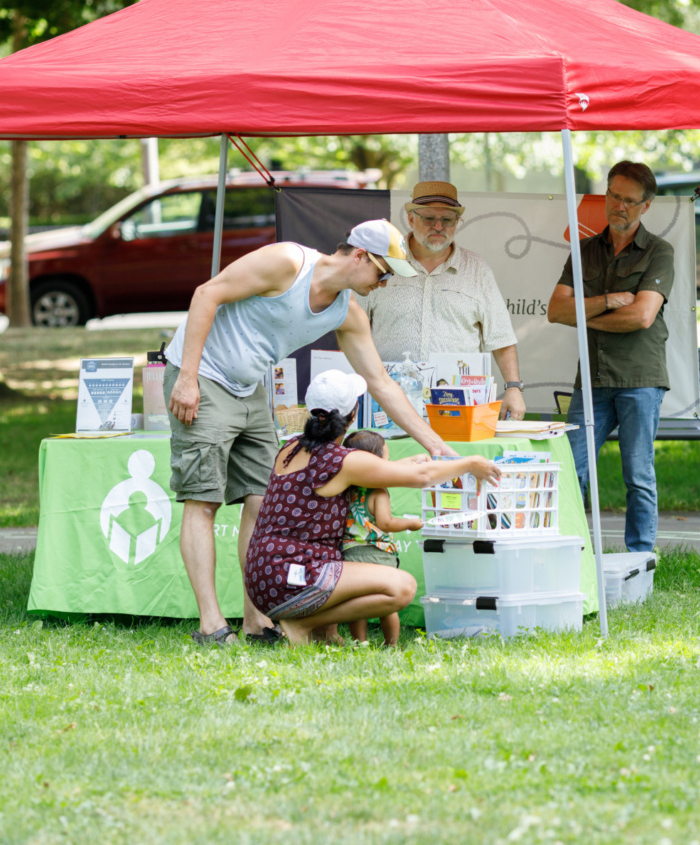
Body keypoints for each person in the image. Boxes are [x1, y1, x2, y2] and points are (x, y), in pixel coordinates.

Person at [164, 218, 456, 646]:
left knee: (262, 500)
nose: (384, 283)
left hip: (249, 386)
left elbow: (380, 382)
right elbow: (206, 294)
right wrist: (187, 377)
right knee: (203, 500)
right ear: (360, 256)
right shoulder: (288, 262)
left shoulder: (347, 312)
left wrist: (434, 444)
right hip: (203, 375)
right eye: (383, 273)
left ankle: (257, 621)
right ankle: (211, 626)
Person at [244, 371, 498, 646]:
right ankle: (302, 625)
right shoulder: (340, 460)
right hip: (293, 577)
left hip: (262, 577)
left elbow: (361, 474)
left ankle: (318, 629)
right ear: (353, 414)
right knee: (402, 588)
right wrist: (470, 463)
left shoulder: (292, 446)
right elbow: (421, 477)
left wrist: (402, 465)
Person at [547, 161, 674, 553]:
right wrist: (607, 301)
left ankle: (641, 558)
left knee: (638, 473)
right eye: (614, 196)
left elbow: (642, 316)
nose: (619, 206)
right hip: (592, 379)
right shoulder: (584, 251)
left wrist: (584, 316)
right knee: (570, 467)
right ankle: (572, 551)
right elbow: (556, 311)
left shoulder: (659, 251)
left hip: (640, 377)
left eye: (630, 201)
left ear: (646, 206)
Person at [358, 181, 526, 420]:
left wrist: (513, 388)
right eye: (429, 218)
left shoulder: (477, 270)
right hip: (387, 403)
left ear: (457, 222)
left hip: (459, 406)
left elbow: (501, 338)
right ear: (411, 219)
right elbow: (352, 328)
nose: (438, 226)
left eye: (447, 219)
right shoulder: (382, 263)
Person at [338, 429, 423, 647]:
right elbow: (385, 523)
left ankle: (360, 644)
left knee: (358, 604)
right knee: (387, 605)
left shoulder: (344, 488)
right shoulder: (378, 491)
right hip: (379, 556)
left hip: (351, 555)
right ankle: (391, 644)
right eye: (386, 461)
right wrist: (410, 524)